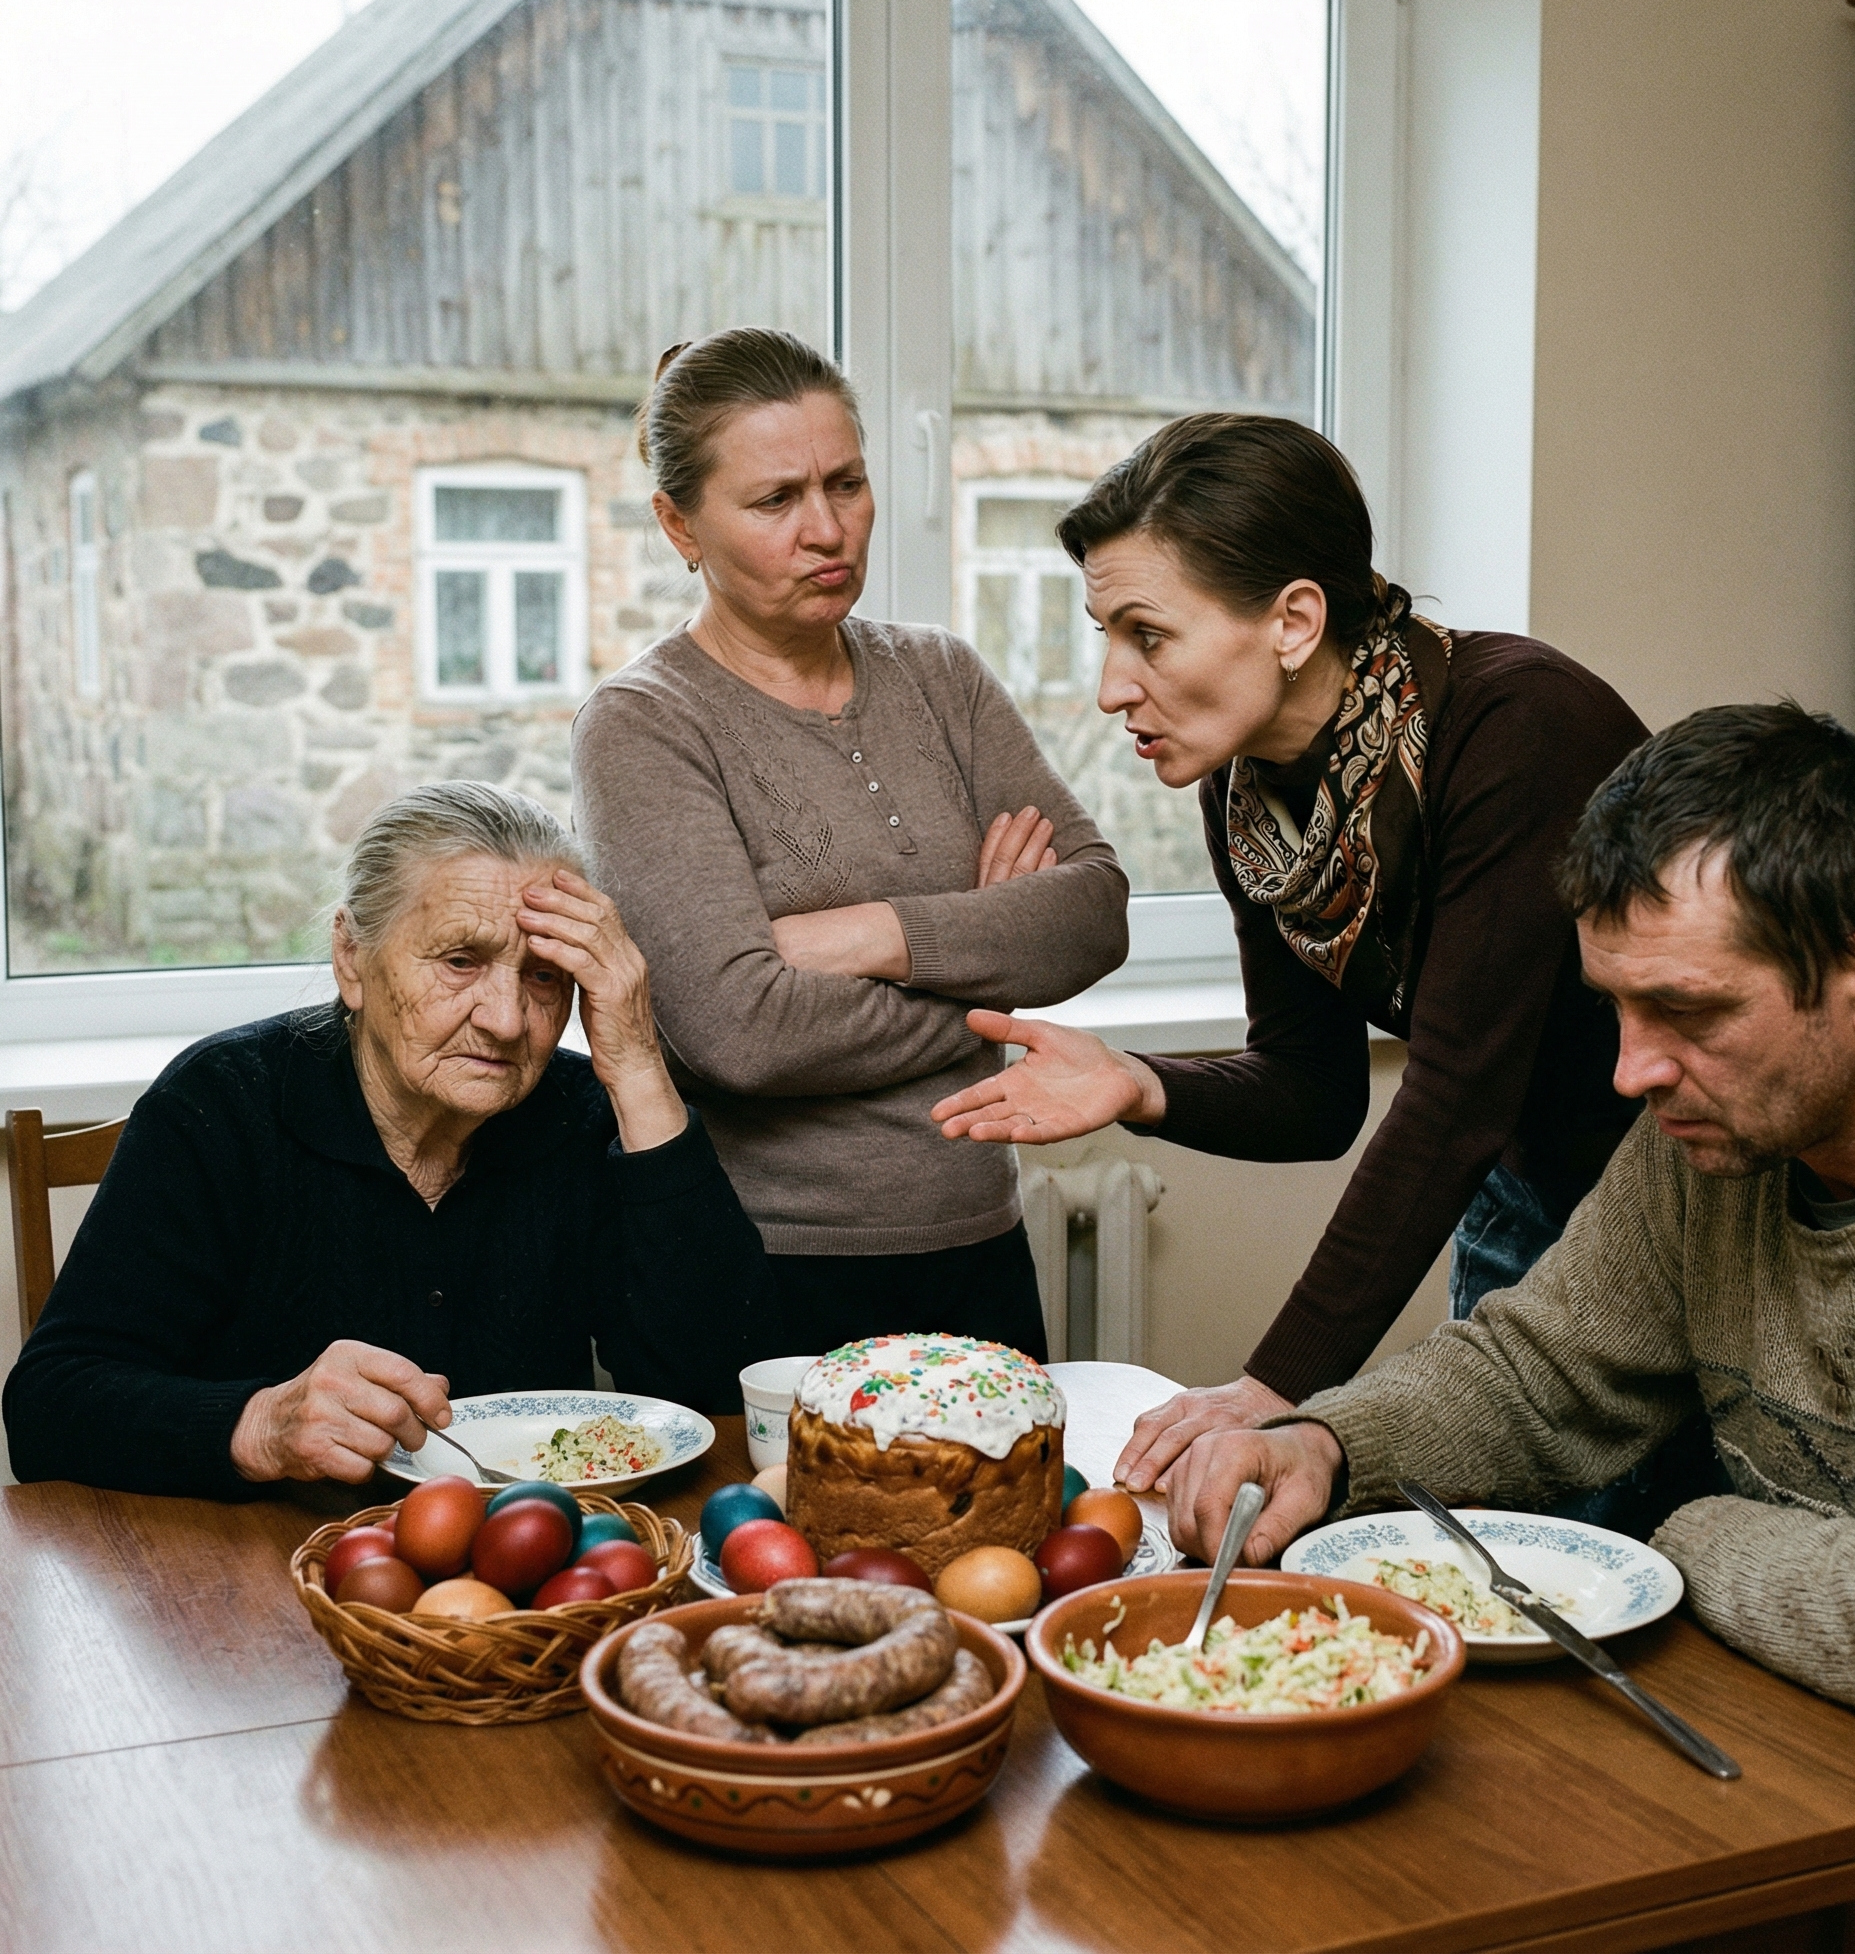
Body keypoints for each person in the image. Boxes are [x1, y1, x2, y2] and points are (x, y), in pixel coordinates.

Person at [1161, 705, 1855, 1945]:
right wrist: (1326, 1444)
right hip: (1801, 1756)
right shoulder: (1714, 1141)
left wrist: (1677, 1538)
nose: (1630, 1069)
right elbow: (1539, 1372)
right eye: (1615, 1008)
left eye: (1686, 1011)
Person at [930, 413, 1656, 1507]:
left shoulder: (1517, 729)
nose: (1111, 685)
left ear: (1292, 618)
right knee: (1511, 1553)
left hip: (1672, 1198)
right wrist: (1139, 1082)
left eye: (1148, 633)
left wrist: (1274, 1384)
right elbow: (1313, 1094)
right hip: (1515, 1186)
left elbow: (1454, 1096)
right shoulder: (1251, 795)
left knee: (1631, 1558)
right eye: (1103, 634)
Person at [572, 328, 1128, 1360]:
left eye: (846, 483)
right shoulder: (644, 723)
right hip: (768, 1272)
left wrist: (868, 932)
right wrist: (986, 979)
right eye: (775, 499)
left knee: (1004, 1530)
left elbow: (1094, 910)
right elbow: (733, 1030)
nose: (827, 530)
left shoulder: (943, 678)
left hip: (979, 1244)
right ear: (677, 522)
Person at [3, 782, 777, 1500]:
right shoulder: (223, 1103)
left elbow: (708, 1385)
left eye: (545, 977)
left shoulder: (581, 1112)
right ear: (352, 958)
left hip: (520, 1577)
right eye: (460, 961)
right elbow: (49, 1408)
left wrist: (639, 1067)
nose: (506, 1020)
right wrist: (262, 1426)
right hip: (256, 1562)